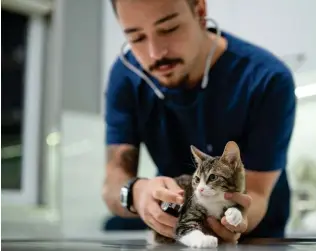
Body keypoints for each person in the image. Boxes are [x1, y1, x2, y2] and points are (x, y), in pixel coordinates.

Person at [102, 0, 297, 243]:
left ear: (200, 12)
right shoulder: (125, 77)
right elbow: (113, 185)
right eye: (137, 37)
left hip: (257, 239)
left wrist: (231, 220)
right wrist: (135, 194)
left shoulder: (267, 79)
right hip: (180, 237)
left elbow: (255, 193)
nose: (155, 53)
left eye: (169, 28)